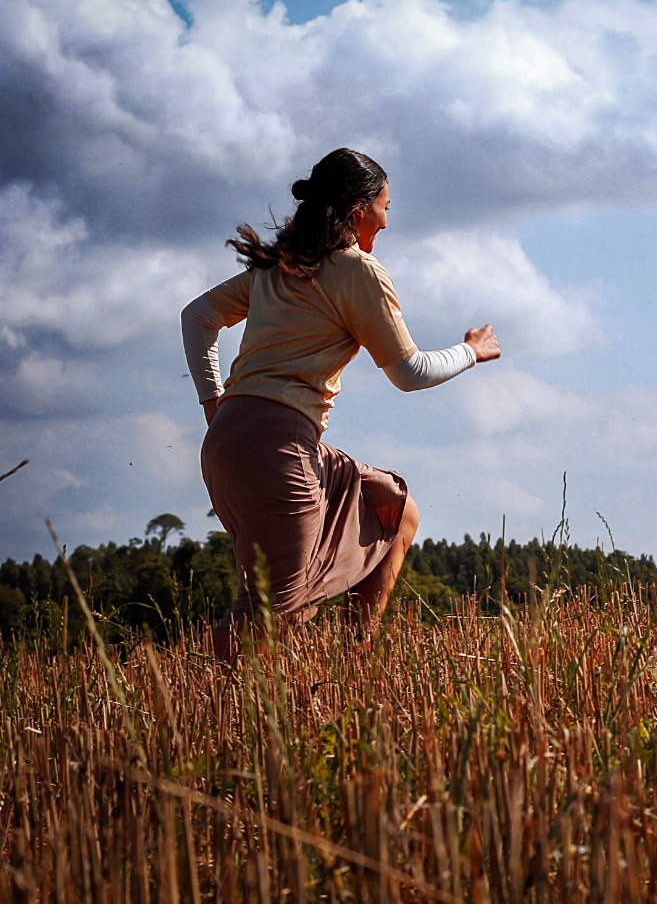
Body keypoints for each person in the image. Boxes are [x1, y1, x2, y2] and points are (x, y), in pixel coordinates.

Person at [182, 148, 501, 659]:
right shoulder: (358, 271)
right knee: (264, 618)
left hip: (234, 442)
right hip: (278, 448)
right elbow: (409, 373)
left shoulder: (278, 268)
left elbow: (197, 316)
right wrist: (472, 350)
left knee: (396, 509)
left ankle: (357, 657)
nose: (387, 221)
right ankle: (201, 715)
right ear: (359, 208)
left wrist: (214, 405)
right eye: (386, 207)